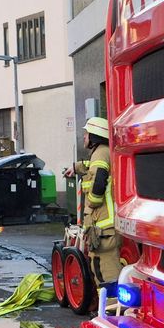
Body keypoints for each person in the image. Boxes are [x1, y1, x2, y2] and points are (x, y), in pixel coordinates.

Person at [64, 117, 120, 291]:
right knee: (102, 265)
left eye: (86, 133)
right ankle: (109, 306)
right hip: (105, 225)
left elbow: (99, 180)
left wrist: (92, 203)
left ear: (95, 135)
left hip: (104, 226)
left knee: (105, 268)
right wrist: (77, 167)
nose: (84, 137)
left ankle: (111, 308)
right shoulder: (102, 152)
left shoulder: (100, 153)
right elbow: (93, 167)